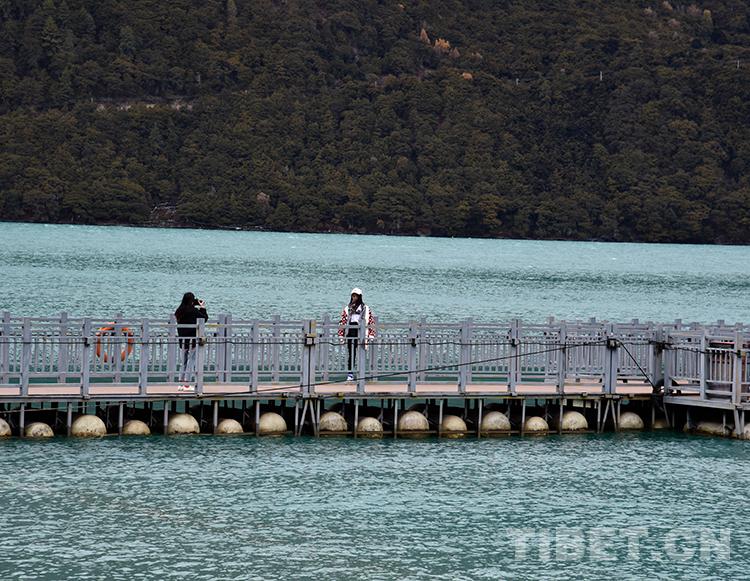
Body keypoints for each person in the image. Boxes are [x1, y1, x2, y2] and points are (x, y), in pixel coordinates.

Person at [337, 288, 376, 381]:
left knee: (362, 352)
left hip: (362, 332)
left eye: (356, 296)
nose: (354, 298)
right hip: (351, 331)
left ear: (360, 297)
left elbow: (371, 322)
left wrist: (371, 334)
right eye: (353, 296)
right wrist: (341, 335)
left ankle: (361, 373)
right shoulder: (347, 308)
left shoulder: (365, 308)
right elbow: (342, 322)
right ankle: (350, 373)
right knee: (351, 353)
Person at [174, 292, 208, 391]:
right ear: (192, 301)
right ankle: (187, 384)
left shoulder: (179, 311)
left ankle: (180, 383)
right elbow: (204, 319)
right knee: (191, 360)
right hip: (192, 339)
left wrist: (195, 304)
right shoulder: (193, 311)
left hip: (182, 339)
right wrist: (202, 307)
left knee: (183, 362)